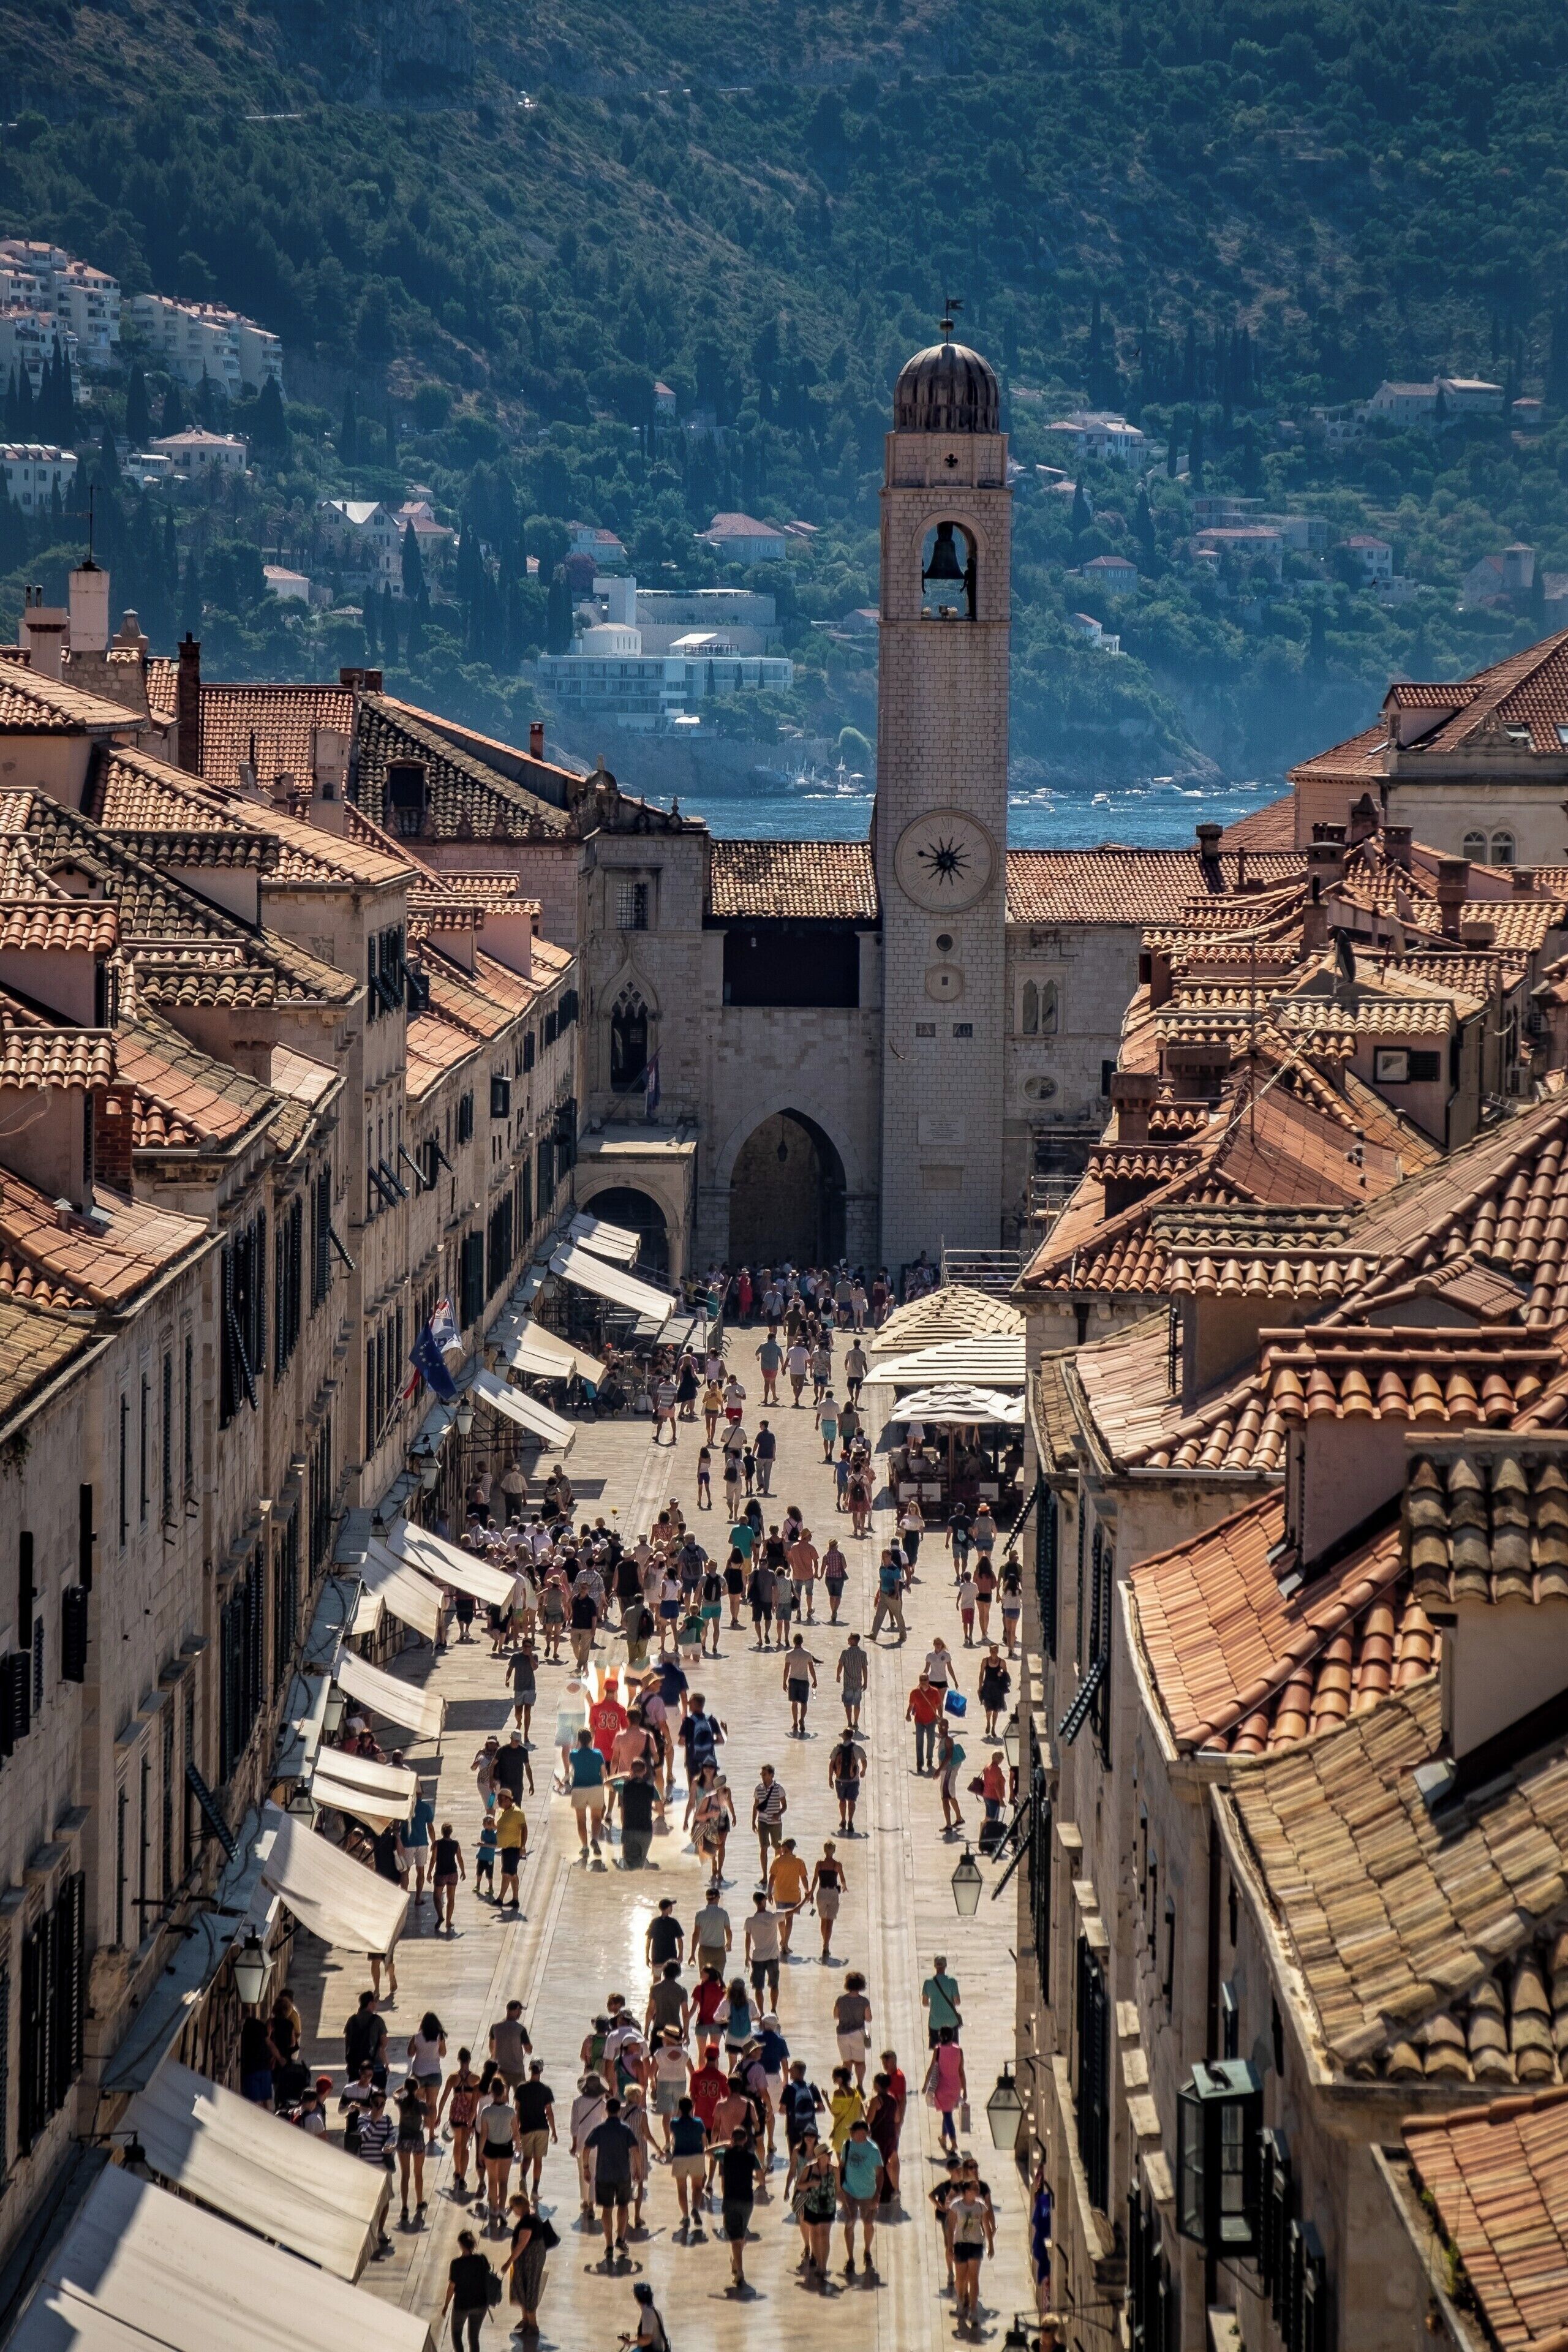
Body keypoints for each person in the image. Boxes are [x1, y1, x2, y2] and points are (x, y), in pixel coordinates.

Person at [586, 2095, 640, 2261]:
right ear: (619, 2111)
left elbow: (587, 2148)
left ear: (606, 2110)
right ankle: (621, 2239)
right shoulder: (626, 2129)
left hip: (604, 2175)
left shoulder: (600, 2129)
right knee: (623, 2206)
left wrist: (586, 2168)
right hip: (623, 2175)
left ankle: (609, 2244)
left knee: (607, 2210)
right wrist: (638, 2169)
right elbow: (636, 2150)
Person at [717, 2124, 764, 2290]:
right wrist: (752, 2177)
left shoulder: (725, 2154)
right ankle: (736, 2264)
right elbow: (761, 2179)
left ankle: (740, 2272)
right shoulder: (751, 2157)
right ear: (745, 2140)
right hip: (747, 2200)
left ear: (732, 2139)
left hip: (731, 2200)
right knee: (741, 2236)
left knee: (735, 2239)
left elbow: (707, 2152)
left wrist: (723, 2144)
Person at [947, 2162, 995, 2324]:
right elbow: (951, 2227)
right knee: (961, 2278)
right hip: (960, 2244)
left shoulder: (981, 2206)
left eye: (978, 2189)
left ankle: (973, 2310)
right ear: (967, 2191)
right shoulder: (956, 2206)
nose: (977, 2191)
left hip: (975, 2245)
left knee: (974, 2278)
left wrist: (990, 2245)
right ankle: (961, 2302)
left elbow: (986, 2226)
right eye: (975, 2189)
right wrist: (950, 2247)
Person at [839, 2114, 884, 2276]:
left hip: (868, 2193)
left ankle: (867, 2250)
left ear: (864, 2133)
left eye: (856, 2132)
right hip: (849, 2192)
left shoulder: (873, 2150)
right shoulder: (847, 2145)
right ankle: (850, 2258)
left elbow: (880, 2173)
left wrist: (878, 2194)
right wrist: (839, 2188)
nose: (853, 2135)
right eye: (852, 2132)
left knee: (868, 2223)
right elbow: (842, 2166)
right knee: (849, 2224)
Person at [502, 2191, 549, 2336]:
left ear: (519, 2207)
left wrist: (508, 2262)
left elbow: (521, 2245)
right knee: (522, 2288)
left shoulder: (527, 2223)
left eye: (512, 2207)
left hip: (530, 2262)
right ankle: (526, 2321)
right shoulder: (531, 2214)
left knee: (529, 2290)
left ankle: (533, 2326)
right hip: (525, 2262)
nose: (512, 2211)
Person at [439, 2048, 483, 2193]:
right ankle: (462, 2178)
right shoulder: (476, 2079)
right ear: (469, 2060)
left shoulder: (453, 2078)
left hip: (456, 2114)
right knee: (466, 2146)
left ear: (459, 2059)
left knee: (457, 2144)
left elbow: (444, 2098)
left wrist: (439, 2115)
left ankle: (457, 2171)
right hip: (469, 2115)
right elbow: (482, 2099)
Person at [443, 2229, 495, 2352]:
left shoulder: (456, 2264)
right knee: (474, 2338)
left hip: (462, 2305)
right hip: (480, 2304)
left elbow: (452, 2287)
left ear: (461, 2245)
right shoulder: (481, 2259)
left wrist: (446, 2306)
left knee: (456, 2335)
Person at [478, 2078, 519, 2223]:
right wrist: (518, 2147)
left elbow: (484, 2134)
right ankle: (502, 2209)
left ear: (492, 2093)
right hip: (506, 2148)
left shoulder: (486, 2111)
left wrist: (480, 2153)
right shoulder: (511, 2111)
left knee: (492, 2180)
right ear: (504, 2092)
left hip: (490, 2148)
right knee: (503, 2181)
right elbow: (515, 2132)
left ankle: (494, 2208)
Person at [514, 2059, 556, 2199]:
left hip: (526, 2128)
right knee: (538, 2160)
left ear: (530, 2069)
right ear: (541, 2071)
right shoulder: (546, 2090)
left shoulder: (521, 2088)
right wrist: (554, 2132)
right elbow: (549, 2112)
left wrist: (516, 2129)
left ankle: (523, 2177)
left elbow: (517, 2110)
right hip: (542, 2128)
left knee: (527, 2157)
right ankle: (535, 2191)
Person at [667, 2092, 707, 2228]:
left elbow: (672, 2137)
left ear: (679, 2108)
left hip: (680, 2157)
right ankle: (695, 2208)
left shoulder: (674, 2123)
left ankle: (685, 2217)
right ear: (692, 2108)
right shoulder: (699, 2123)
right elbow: (705, 2143)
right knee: (697, 2187)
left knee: (682, 2189)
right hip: (696, 2156)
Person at [409, 2011, 448, 2149]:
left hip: (418, 2075)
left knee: (419, 2105)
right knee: (432, 2105)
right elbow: (443, 2054)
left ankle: (418, 2131)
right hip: (434, 2074)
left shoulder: (416, 2037)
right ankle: (431, 2133)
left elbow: (410, 2054)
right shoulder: (439, 2036)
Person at [924, 2027, 967, 2152]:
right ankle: (943, 2138)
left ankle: (954, 2142)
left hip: (942, 2087)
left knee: (947, 2114)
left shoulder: (938, 2050)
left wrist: (926, 2085)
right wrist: (965, 2090)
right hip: (955, 2087)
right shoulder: (959, 2050)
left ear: (941, 2036)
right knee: (947, 2112)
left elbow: (932, 2068)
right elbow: (961, 2072)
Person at [568, 1728, 607, 1860]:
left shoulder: (573, 1754)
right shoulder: (598, 1754)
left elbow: (570, 1770)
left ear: (579, 1740)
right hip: (595, 1787)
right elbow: (604, 1774)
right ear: (591, 1740)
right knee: (596, 1818)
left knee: (581, 1820)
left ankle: (585, 1848)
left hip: (579, 1788)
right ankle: (594, 1839)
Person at [866, 2067, 903, 2203]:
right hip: (891, 2136)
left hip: (879, 2136)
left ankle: (882, 2192)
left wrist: (866, 2109)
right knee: (890, 2161)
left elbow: (869, 2120)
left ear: (877, 2085)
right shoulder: (893, 2100)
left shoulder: (876, 2101)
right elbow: (897, 2119)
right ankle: (894, 2190)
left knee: (879, 2164)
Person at [768, 1837, 810, 1954]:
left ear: (785, 1848)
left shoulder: (777, 1860)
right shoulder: (799, 1861)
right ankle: (785, 1943)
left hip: (780, 1895)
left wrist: (769, 1892)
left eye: (782, 1846)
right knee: (790, 1920)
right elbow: (804, 1878)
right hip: (793, 1895)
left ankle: (783, 1941)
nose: (781, 1848)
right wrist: (807, 1891)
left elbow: (772, 1878)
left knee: (781, 1919)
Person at [617, 1756, 661, 1868]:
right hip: (646, 1831)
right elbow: (661, 1811)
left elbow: (606, 1783)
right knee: (639, 1865)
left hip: (629, 1830)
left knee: (630, 1867)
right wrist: (650, 1807)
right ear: (645, 1771)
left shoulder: (624, 1786)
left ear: (631, 1770)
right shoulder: (651, 1788)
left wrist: (621, 1776)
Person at [396, 2078, 428, 2223]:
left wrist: (403, 2089)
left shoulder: (401, 2102)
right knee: (418, 2173)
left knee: (405, 2174)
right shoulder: (421, 2104)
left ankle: (404, 2207)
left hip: (403, 2139)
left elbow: (395, 2094)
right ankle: (419, 2202)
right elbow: (428, 2120)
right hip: (417, 2139)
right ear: (417, 2089)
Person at [744, 1888, 783, 2008]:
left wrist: (747, 1956)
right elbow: (792, 1911)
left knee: (758, 1988)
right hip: (773, 1957)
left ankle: (761, 2013)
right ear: (763, 1901)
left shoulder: (750, 1921)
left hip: (758, 1959)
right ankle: (773, 2009)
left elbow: (748, 1940)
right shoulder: (773, 1917)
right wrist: (805, 1900)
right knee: (774, 1985)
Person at [834, 1971, 872, 2087]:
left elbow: (836, 2015)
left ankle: (846, 2086)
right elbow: (869, 2019)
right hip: (857, 2035)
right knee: (860, 2063)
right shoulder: (864, 2001)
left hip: (842, 2035)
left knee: (847, 2063)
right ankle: (860, 2085)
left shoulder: (841, 2000)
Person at [809, 1841, 845, 1960]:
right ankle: (826, 1945)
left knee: (823, 1920)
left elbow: (815, 1879)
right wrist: (844, 1886)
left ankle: (824, 1942)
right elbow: (843, 1880)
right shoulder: (837, 1865)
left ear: (824, 1851)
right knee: (830, 1921)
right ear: (834, 1851)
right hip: (833, 1893)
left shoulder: (819, 1864)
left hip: (822, 1893)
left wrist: (811, 1893)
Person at [829, 1725, 866, 1835]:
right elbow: (864, 1761)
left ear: (844, 1737)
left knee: (842, 1800)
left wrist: (830, 1778)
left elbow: (832, 1764)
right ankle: (850, 1821)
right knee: (852, 1801)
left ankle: (843, 1820)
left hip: (840, 1779)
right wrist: (863, 1771)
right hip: (853, 1780)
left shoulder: (837, 1749)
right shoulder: (857, 1749)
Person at [489, 2000, 533, 2090]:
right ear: (516, 2010)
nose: (520, 2013)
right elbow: (528, 2050)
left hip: (500, 2069)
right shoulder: (521, 2029)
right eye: (520, 2011)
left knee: (502, 2096)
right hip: (517, 2071)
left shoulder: (495, 2028)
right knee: (521, 2096)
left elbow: (491, 2047)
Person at [494, 1795, 528, 1909]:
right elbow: (501, 1826)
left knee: (506, 1873)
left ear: (508, 1800)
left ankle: (500, 1899)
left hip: (514, 1847)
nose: (498, 1802)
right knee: (512, 1874)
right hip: (505, 1847)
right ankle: (515, 1900)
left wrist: (523, 1846)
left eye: (500, 1801)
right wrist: (493, 1826)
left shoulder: (518, 1813)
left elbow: (524, 1829)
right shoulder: (502, 1812)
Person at [907, 1671, 943, 1774]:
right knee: (919, 1742)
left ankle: (929, 1759)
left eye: (925, 1680)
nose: (923, 1682)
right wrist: (908, 1714)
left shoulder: (935, 1692)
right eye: (921, 1680)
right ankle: (919, 1763)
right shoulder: (915, 1693)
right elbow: (911, 1705)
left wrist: (941, 1717)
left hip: (931, 1720)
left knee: (931, 1740)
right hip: (919, 1720)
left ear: (928, 1681)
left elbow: (939, 1706)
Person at [780, 1634, 818, 1735]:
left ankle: (795, 1722)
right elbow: (811, 1669)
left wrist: (784, 1682)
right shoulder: (808, 1654)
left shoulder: (789, 1654)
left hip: (793, 1680)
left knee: (794, 1703)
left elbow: (786, 1670)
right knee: (804, 1703)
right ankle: (802, 1719)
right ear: (802, 1642)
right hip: (804, 1681)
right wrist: (815, 1680)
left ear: (794, 1642)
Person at [432, 1820, 466, 1931]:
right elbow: (459, 1859)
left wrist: (429, 1872)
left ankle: (440, 1916)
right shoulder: (455, 1844)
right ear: (451, 1832)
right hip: (453, 1872)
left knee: (437, 1897)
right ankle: (448, 1922)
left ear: (442, 1832)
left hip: (441, 1873)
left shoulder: (437, 1844)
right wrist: (463, 1871)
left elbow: (433, 1859)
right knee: (451, 1898)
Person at [621, 2280, 671, 2352]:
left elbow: (647, 2340)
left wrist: (629, 2342)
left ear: (637, 2297)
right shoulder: (654, 2310)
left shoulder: (647, 2313)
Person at [923, 1958, 963, 2045]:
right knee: (953, 2047)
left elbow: (925, 2003)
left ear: (935, 1966)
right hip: (951, 2022)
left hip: (935, 2022)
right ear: (945, 1966)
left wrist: (934, 2004)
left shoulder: (928, 1983)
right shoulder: (952, 1982)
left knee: (937, 2050)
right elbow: (957, 2002)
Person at [870, 1548, 908, 1640]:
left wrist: (896, 1593)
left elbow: (896, 1582)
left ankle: (903, 1635)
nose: (884, 1558)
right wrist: (879, 1593)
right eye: (883, 1557)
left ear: (890, 1557)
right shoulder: (882, 1568)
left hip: (892, 1595)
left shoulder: (894, 1569)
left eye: (886, 1556)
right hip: (883, 1595)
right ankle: (874, 1634)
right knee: (879, 1615)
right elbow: (882, 1581)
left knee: (898, 1615)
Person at [937, 1719, 967, 1833]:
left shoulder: (948, 1740)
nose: (942, 1729)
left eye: (944, 1727)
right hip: (947, 1772)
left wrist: (938, 1770)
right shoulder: (943, 1739)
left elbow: (948, 1756)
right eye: (940, 1727)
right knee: (950, 1796)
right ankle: (959, 1819)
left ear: (948, 1727)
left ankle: (949, 1824)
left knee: (945, 1798)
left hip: (948, 1772)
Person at [836, 1632, 868, 1730]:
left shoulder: (845, 1653)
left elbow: (840, 1665)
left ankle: (849, 1723)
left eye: (849, 1639)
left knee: (848, 1704)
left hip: (848, 1683)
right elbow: (864, 1668)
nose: (848, 1640)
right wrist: (866, 1682)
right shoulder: (863, 1654)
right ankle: (856, 1723)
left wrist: (838, 1675)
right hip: (858, 1683)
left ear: (853, 1641)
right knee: (857, 1703)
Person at [979, 1645, 1011, 1738]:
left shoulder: (1002, 1662)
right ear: (990, 1651)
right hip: (988, 1688)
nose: (994, 1653)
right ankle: (988, 1723)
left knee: (996, 1709)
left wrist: (1002, 1674)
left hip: (998, 1689)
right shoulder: (985, 1661)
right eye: (992, 1651)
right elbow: (981, 1674)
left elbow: (1007, 1676)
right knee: (989, 1708)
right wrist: (980, 1687)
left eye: (995, 1651)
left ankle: (993, 1728)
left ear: (998, 1651)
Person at [822, 1536, 848, 1621]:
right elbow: (845, 1566)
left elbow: (823, 1568)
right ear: (836, 1546)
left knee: (831, 1596)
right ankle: (835, 1611)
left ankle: (832, 1611)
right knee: (838, 1596)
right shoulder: (840, 1555)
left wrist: (820, 1576)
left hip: (829, 1578)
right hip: (839, 1578)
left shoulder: (826, 1556)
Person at [754, 1419, 777, 1494]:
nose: (760, 1427)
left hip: (761, 1456)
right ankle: (766, 1490)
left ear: (763, 1426)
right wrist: (774, 1455)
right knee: (767, 1474)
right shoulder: (771, 1435)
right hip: (770, 1457)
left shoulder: (760, 1434)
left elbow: (756, 1444)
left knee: (759, 1471)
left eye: (760, 1425)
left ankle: (761, 1483)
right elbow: (774, 1446)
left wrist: (753, 1453)